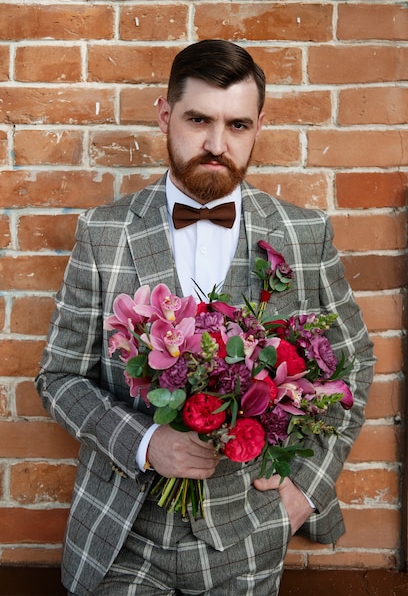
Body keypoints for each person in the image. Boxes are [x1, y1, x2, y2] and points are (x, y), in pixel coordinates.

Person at [36, 39, 375, 596]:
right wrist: (146, 443)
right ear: (166, 115)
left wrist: (304, 492)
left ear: (259, 126)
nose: (217, 144)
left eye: (237, 125)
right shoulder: (104, 233)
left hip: (249, 531)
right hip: (125, 533)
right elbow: (59, 378)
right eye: (199, 119)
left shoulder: (302, 234)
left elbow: (353, 363)